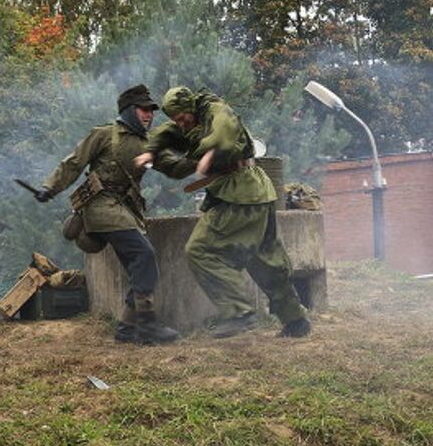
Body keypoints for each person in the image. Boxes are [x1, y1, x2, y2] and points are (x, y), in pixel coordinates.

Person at [134, 86, 311, 338]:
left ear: (191, 107)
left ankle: (239, 313)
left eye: (182, 116)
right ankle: (295, 321)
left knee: (200, 250)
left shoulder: (216, 111)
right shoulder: (190, 123)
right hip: (254, 193)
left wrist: (211, 151)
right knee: (265, 260)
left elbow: (224, 134)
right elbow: (167, 134)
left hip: (241, 192)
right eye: (176, 119)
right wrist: (151, 151)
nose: (180, 123)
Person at [34, 84, 196, 345]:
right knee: (144, 256)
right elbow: (74, 162)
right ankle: (147, 327)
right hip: (101, 207)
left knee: (141, 266)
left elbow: (173, 167)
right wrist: (49, 187)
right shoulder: (104, 134)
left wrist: (202, 160)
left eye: (151, 111)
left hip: (124, 209)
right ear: (129, 111)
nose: (149, 115)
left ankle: (127, 328)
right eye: (143, 110)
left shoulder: (149, 143)